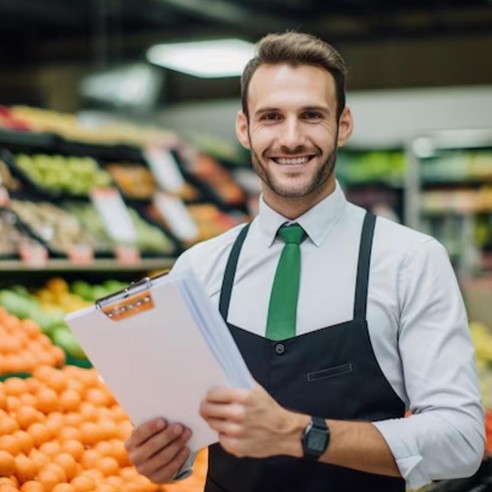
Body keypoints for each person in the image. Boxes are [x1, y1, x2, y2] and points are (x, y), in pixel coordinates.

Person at [125, 31, 485, 491]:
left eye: (311, 116)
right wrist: (163, 456)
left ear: (343, 124)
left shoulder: (410, 260)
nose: (291, 138)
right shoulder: (198, 269)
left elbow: (461, 441)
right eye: (271, 117)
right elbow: (182, 435)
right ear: (244, 129)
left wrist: (300, 433)